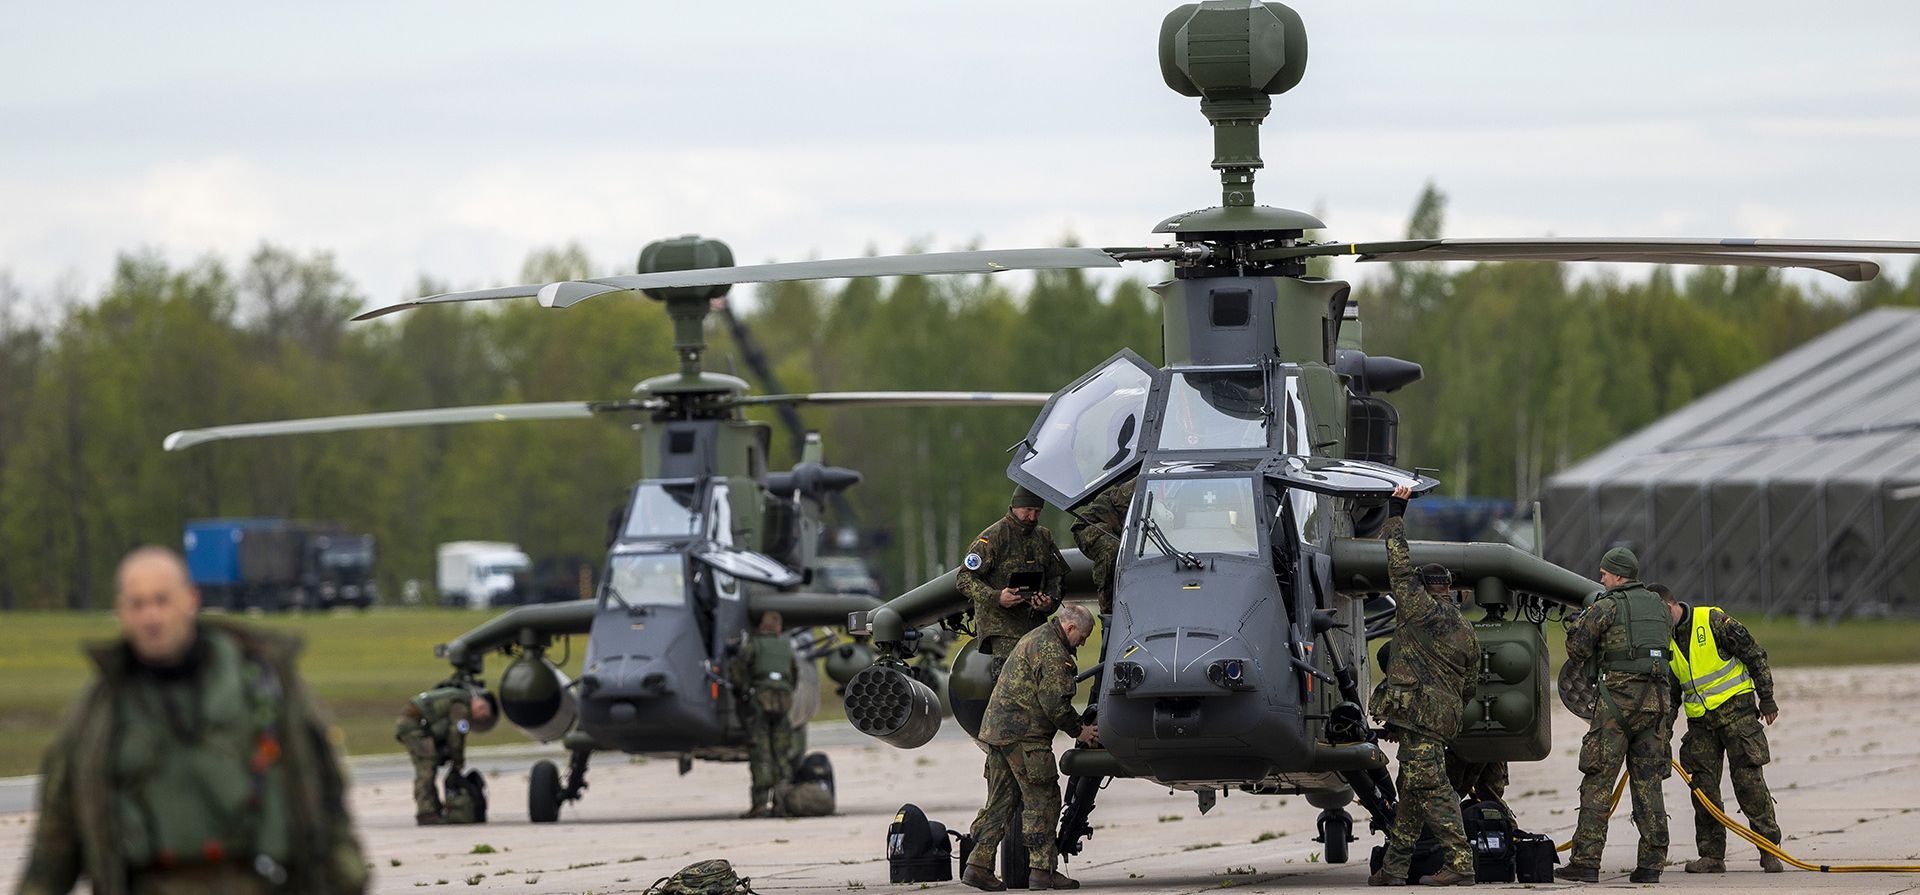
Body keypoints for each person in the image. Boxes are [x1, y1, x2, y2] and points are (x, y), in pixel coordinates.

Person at [17, 546, 367, 894]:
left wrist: (345, 877)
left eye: (161, 600)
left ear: (190, 600)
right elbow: (56, 838)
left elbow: (321, 790)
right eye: (138, 604)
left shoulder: (260, 686)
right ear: (121, 611)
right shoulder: (98, 714)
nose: (151, 617)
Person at [1367, 485, 1479, 888]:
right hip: (1442, 720)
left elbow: (1398, 564)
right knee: (1411, 795)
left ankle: (1461, 864)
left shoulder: (1418, 612)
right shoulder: (1465, 629)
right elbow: (1470, 684)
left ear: (1424, 589)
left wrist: (1395, 512)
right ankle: (1395, 870)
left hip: (1420, 720)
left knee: (1431, 788)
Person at [962, 603, 1099, 892]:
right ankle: (1042, 871)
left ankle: (977, 866)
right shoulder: (1051, 651)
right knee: (1043, 800)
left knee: (1001, 801)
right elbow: (1054, 703)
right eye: (1083, 636)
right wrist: (1081, 731)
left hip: (999, 733)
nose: (1083, 642)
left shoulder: (1035, 637)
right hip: (1025, 736)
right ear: (1070, 627)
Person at [1556, 547, 1672, 884]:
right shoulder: (1658, 606)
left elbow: (1578, 649)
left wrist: (1577, 625)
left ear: (1619, 575)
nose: (1602, 578)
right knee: (1649, 784)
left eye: (1606, 573)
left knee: (1597, 780)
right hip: (1657, 703)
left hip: (1618, 703)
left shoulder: (1607, 605)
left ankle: (1586, 861)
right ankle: (1651, 865)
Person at [1650, 584, 1784, 874]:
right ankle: (1711, 855)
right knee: (1703, 791)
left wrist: (1767, 698)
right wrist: (1663, 735)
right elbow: (1671, 695)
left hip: (1738, 718)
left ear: (1671, 606)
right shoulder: (1666, 643)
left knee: (1749, 785)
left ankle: (1769, 849)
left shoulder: (1713, 621)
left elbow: (1755, 655)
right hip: (1701, 727)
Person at [957, 486, 1071, 663]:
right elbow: (964, 579)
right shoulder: (992, 538)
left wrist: (1049, 601)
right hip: (1003, 627)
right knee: (1011, 684)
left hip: (1035, 624)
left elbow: (1057, 576)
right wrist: (997, 597)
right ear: (1015, 507)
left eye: (1037, 512)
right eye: (1028, 511)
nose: (1032, 517)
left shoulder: (1043, 537)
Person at [395, 682, 498, 825]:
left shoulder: (459, 697)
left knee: (428, 765)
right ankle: (426, 813)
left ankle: (433, 809)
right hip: (414, 725)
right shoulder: (462, 706)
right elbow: (457, 734)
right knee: (426, 767)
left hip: (413, 722)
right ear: (480, 706)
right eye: (481, 715)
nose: (478, 718)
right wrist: (458, 761)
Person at [733, 610, 798, 818]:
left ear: (762, 626)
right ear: (778, 628)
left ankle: (760, 804)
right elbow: (794, 674)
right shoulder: (786, 646)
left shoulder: (754, 644)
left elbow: (738, 669)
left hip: (759, 702)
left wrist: (744, 690)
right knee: (782, 753)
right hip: (783, 701)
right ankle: (782, 803)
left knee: (761, 752)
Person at [1069, 477, 1136, 618]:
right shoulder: (1134, 486)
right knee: (1112, 551)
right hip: (1091, 526)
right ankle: (1108, 614)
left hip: (1113, 528)